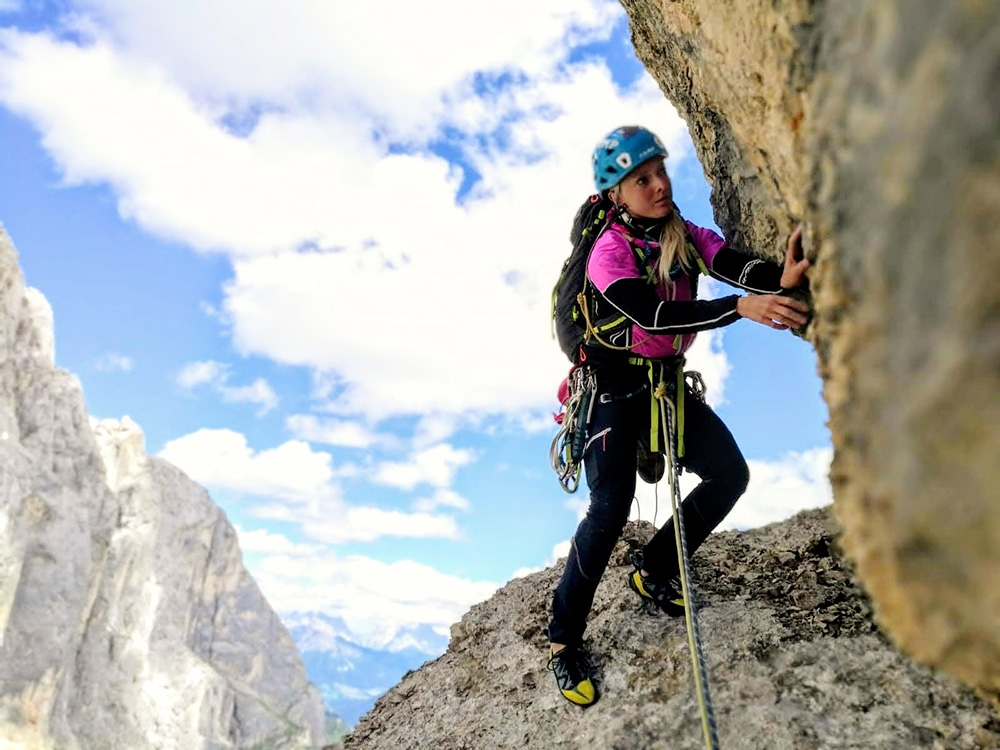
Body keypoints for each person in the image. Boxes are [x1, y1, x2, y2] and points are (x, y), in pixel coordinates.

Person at [547, 125, 811, 706]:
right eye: (641, 179)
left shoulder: (680, 234)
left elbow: (731, 263)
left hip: (662, 383)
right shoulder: (607, 251)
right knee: (610, 506)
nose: (658, 185)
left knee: (729, 475)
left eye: (660, 171)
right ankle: (563, 641)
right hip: (612, 385)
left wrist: (778, 281)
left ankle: (654, 568)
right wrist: (742, 309)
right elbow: (654, 316)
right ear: (616, 193)